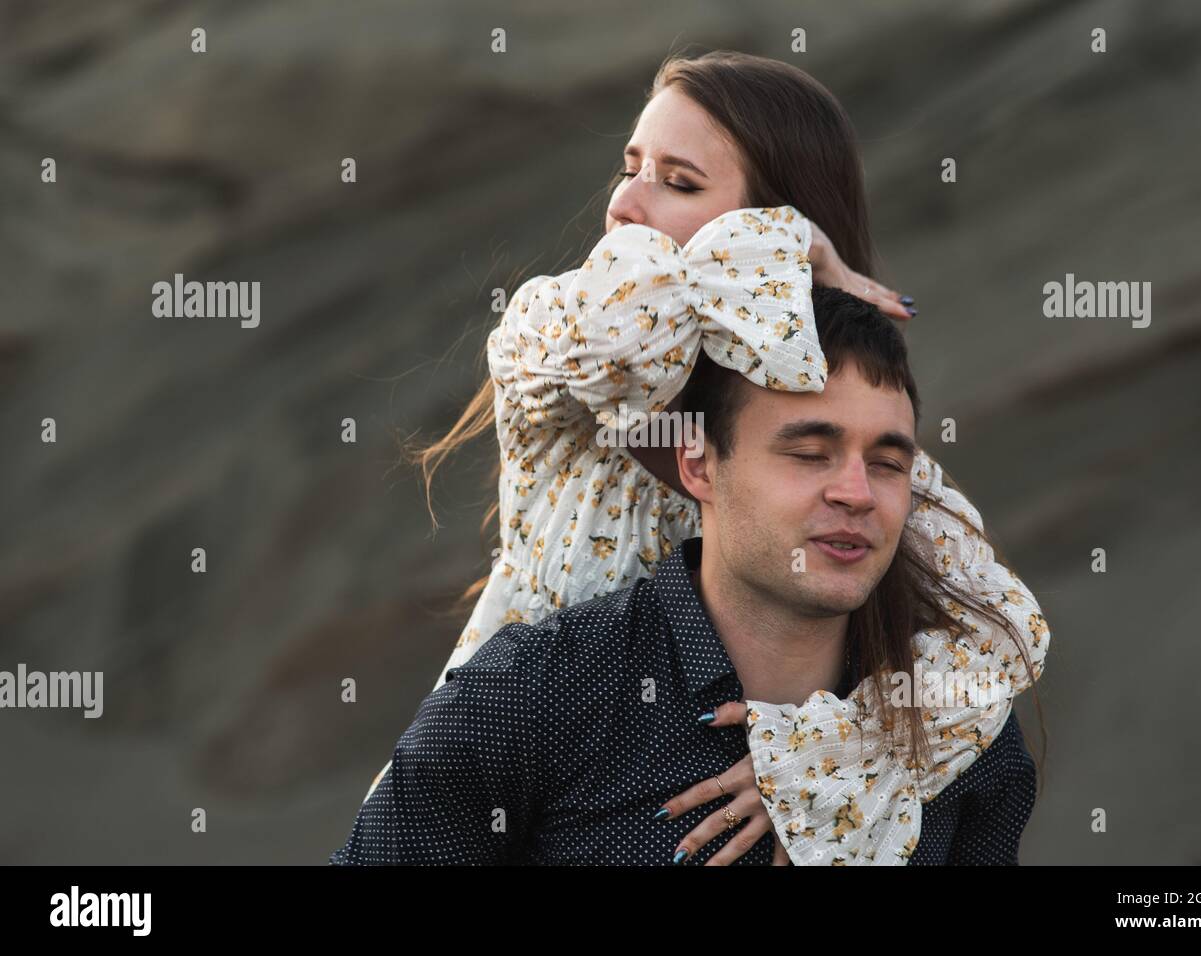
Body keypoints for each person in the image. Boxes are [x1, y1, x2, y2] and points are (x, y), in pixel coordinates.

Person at [350, 49, 1049, 862]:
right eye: (630, 167)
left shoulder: (851, 450)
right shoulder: (582, 369)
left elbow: (1002, 640)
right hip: (516, 753)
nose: (624, 205)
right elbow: (623, 318)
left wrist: (826, 762)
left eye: (679, 183)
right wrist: (791, 249)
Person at [330, 285, 1045, 865]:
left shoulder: (960, 738)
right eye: (810, 452)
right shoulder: (532, 695)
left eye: (887, 463)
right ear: (699, 464)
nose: (857, 492)